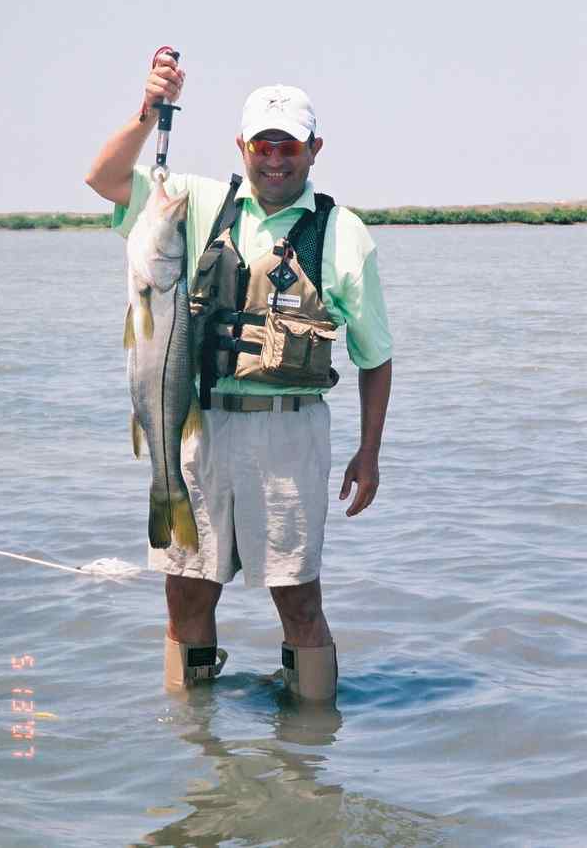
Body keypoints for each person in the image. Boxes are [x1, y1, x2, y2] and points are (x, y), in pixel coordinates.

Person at [86, 52, 392, 702]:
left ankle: (310, 747)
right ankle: (194, 743)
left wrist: (369, 452)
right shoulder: (194, 204)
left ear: (314, 150)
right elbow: (105, 179)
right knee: (186, 587)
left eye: (289, 147)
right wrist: (149, 110)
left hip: (290, 433)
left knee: (298, 598)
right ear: (242, 146)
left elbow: (375, 355)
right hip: (199, 426)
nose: (274, 160)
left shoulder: (345, 235)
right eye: (263, 145)